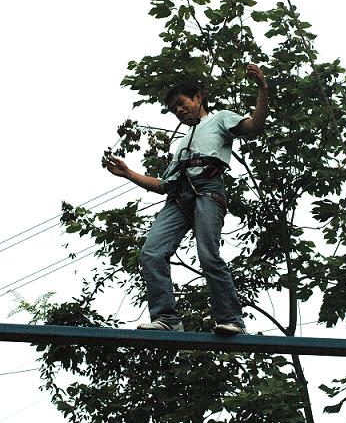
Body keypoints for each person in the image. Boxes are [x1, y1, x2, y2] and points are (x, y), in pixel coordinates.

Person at [105, 64, 268, 335]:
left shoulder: (219, 120)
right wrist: (128, 173)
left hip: (207, 189)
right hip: (179, 197)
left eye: (182, 103)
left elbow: (255, 124)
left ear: (198, 98)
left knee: (208, 254)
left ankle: (232, 320)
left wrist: (263, 90)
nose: (178, 110)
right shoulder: (182, 144)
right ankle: (167, 318)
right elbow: (162, 185)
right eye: (174, 109)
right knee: (151, 253)